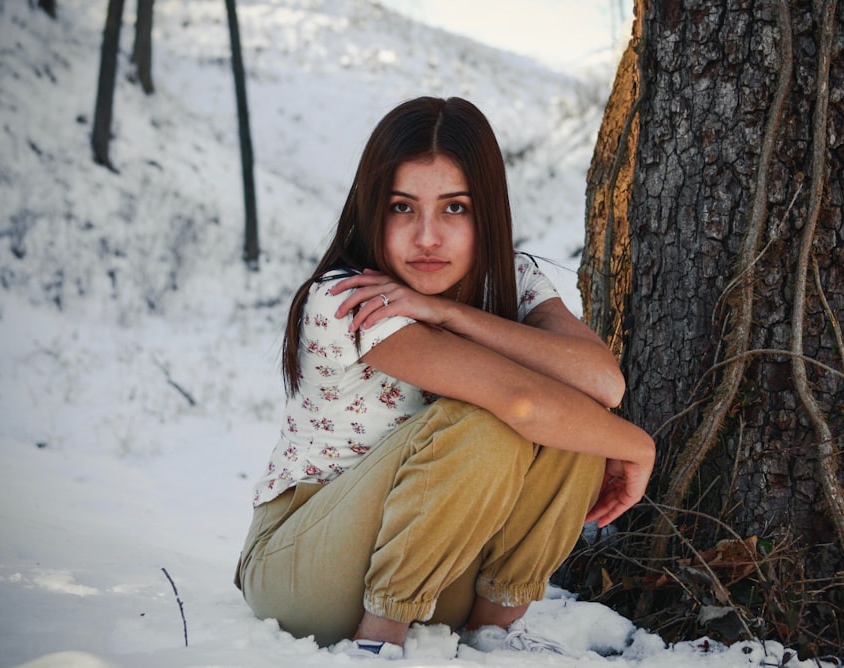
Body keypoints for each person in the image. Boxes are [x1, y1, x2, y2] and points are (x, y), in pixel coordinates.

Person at [234, 96, 656, 660]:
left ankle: (494, 635)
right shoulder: (350, 298)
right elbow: (521, 402)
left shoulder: (513, 279)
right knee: (489, 421)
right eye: (402, 208)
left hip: (445, 573)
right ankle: (377, 643)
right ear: (370, 210)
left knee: (575, 422)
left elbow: (603, 383)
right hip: (306, 571)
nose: (427, 237)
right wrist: (639, 446)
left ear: (487, 211)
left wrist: (455, 314)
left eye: (454, 208)